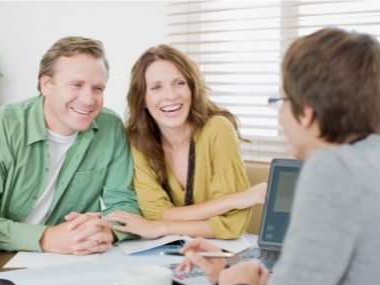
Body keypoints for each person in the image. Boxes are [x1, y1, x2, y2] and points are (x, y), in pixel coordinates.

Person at [178, 27, 380, 285]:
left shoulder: (332, 169)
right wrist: (228, 277)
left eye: (282, 101)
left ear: (306, 114)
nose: (280, 115)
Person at [0, 36, 140, 255]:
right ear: (46, 84)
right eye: (76, 85)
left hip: (74, 261)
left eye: (98, 88)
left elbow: (124, 203)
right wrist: (47, 238)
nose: (88, 99)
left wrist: (108, 232)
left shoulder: (111, 127)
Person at [105, 45, 267, 239]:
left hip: (218, 254)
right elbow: (154, 214)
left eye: (179, 83)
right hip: (161, 256)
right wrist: (233, 200)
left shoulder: (218, 129)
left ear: (192, 88)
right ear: (142, 99)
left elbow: (232, 225)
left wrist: (162, 227)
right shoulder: (137, 141)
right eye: (156, 87)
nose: (171, 95)